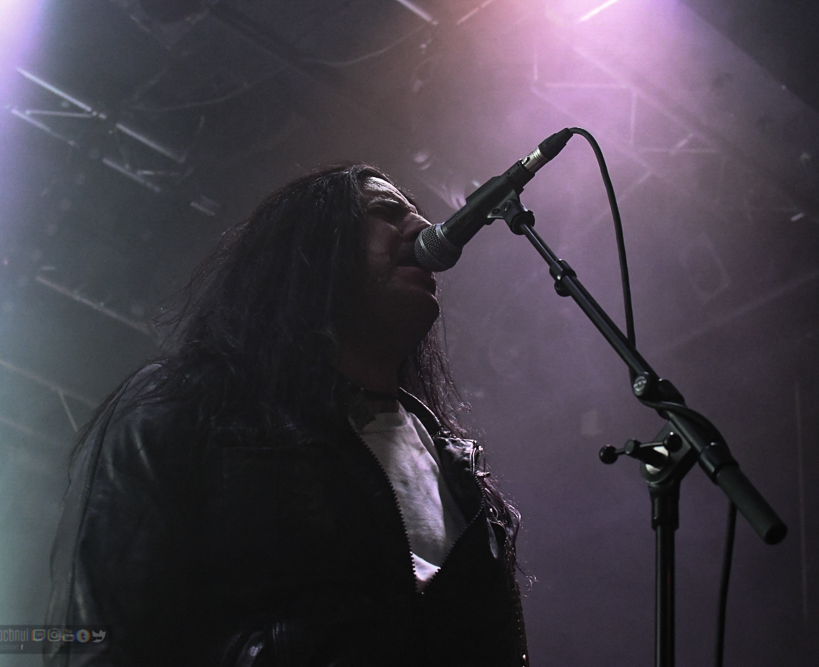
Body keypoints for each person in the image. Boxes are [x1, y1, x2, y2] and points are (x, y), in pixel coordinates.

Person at [44, 165, 528, 666]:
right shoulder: (189, 408)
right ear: (313, 252)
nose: (422, 228)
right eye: (386, 213)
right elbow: (100, 639)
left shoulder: (459, 473)